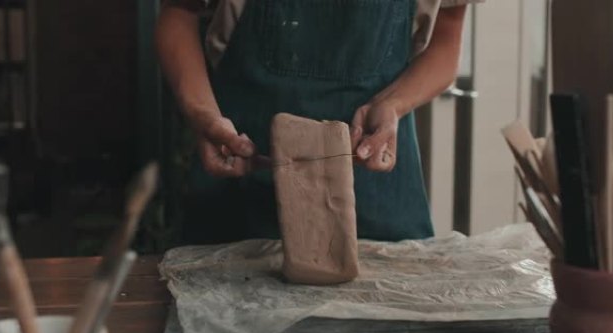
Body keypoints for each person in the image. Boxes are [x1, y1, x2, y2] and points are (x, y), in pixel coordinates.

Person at [156, 0, 480, 244]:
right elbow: (178, 15)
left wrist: (392, 104)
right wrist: (204, 115)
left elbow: (445, 41)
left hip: (375, 191)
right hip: (242, 172)